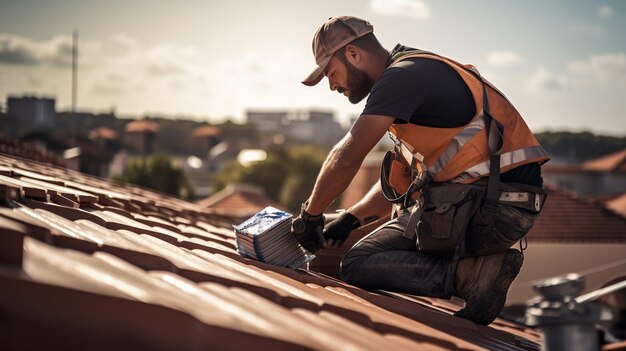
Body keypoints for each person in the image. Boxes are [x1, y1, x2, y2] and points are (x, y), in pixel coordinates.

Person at [292, 15, 549, 326]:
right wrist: (350, 219)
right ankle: (470, 270)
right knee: (359, 261)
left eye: (331, 73)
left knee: (360, 264)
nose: (332, 86)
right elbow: (398, 182)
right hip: (488, 204)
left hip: (497, 209)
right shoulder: (410, 77)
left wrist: (311, 215)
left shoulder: (402, 77)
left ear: (353, 54)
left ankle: (472, 275)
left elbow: (346, 157)